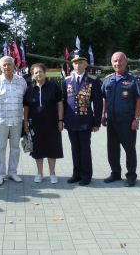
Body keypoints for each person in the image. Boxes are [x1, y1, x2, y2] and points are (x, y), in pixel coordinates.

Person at [101, 52, 140, 187]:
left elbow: (139, 99)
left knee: (129, 149)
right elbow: (104, 98)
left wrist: (136, 118)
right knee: (112, 149)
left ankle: (131, 175)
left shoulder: (133, 79)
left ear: (126, 62)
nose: (117, 64)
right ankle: (115, 173)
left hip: (127, 121)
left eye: (120, 61)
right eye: (114, 61)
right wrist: (103, 114)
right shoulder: (108, 80)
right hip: (112, 120)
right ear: (111, 63)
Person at [63, 49, 103, 186]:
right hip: (70, 120)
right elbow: (64, 102)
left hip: (85, 120)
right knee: (74, 148)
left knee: (85, 148)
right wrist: (61, 120)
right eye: (75, 63)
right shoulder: (67, 81)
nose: (77, 66)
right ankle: (76, 173)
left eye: (80, 63)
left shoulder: (93, 81)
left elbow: (97, 104)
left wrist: (96, 122)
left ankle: (86, 175)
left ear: (86, 64)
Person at [0, 56, 28, 186]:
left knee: (15, 147)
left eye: (9, 64)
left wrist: (25, 121)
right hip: (1, 121)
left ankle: (12, 172)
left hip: (17, 120)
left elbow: (26, 103)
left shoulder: (21, 81)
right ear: (0, 67)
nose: (6, 67)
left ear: (14, 66)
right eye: (4, 65)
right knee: (0, 148)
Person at [23, 63, 64, 184]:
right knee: (38, 148)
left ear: (45, 73)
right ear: (33, 75)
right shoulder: (29, 89)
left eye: (40, 71)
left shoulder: (53, 87)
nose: (38, 74)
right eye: (36, 72)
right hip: (35, 124)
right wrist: (25, 124)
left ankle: (52, 173)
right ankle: (39, 173)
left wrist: (60, 121)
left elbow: (60, 103)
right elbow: (26, 107)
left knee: (52, 147)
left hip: (52, 123)